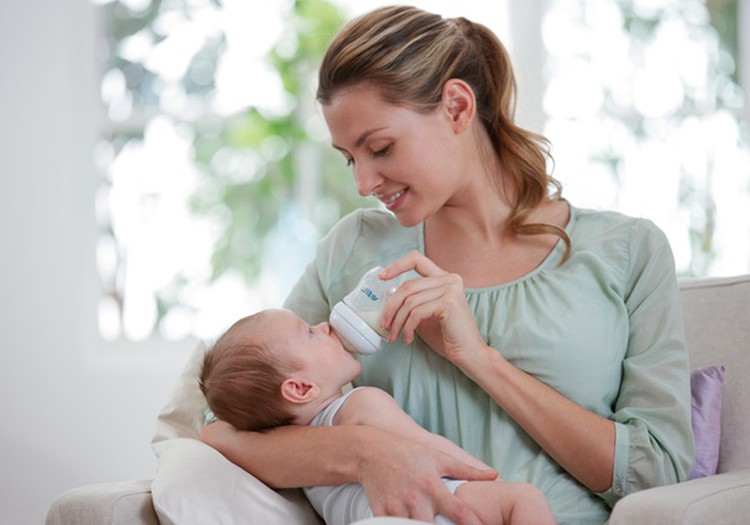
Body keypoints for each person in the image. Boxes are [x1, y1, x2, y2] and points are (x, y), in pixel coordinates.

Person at [200, 5, 694, 524]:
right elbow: (222, 430)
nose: (363, 184)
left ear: (457, 107)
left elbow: (656, 473)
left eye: (381, 148)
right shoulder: (355, 247)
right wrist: (367, 453)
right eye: (350, 158)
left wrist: (478, 358)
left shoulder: (626, 250)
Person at [199, 308, 556, 525]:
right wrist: (490, 482)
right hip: (434, 508)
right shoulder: (359, 404)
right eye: (309, 332)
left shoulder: (297, 466)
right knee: (524, 499)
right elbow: (433, 452)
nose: (324, 325)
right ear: (301, 389)